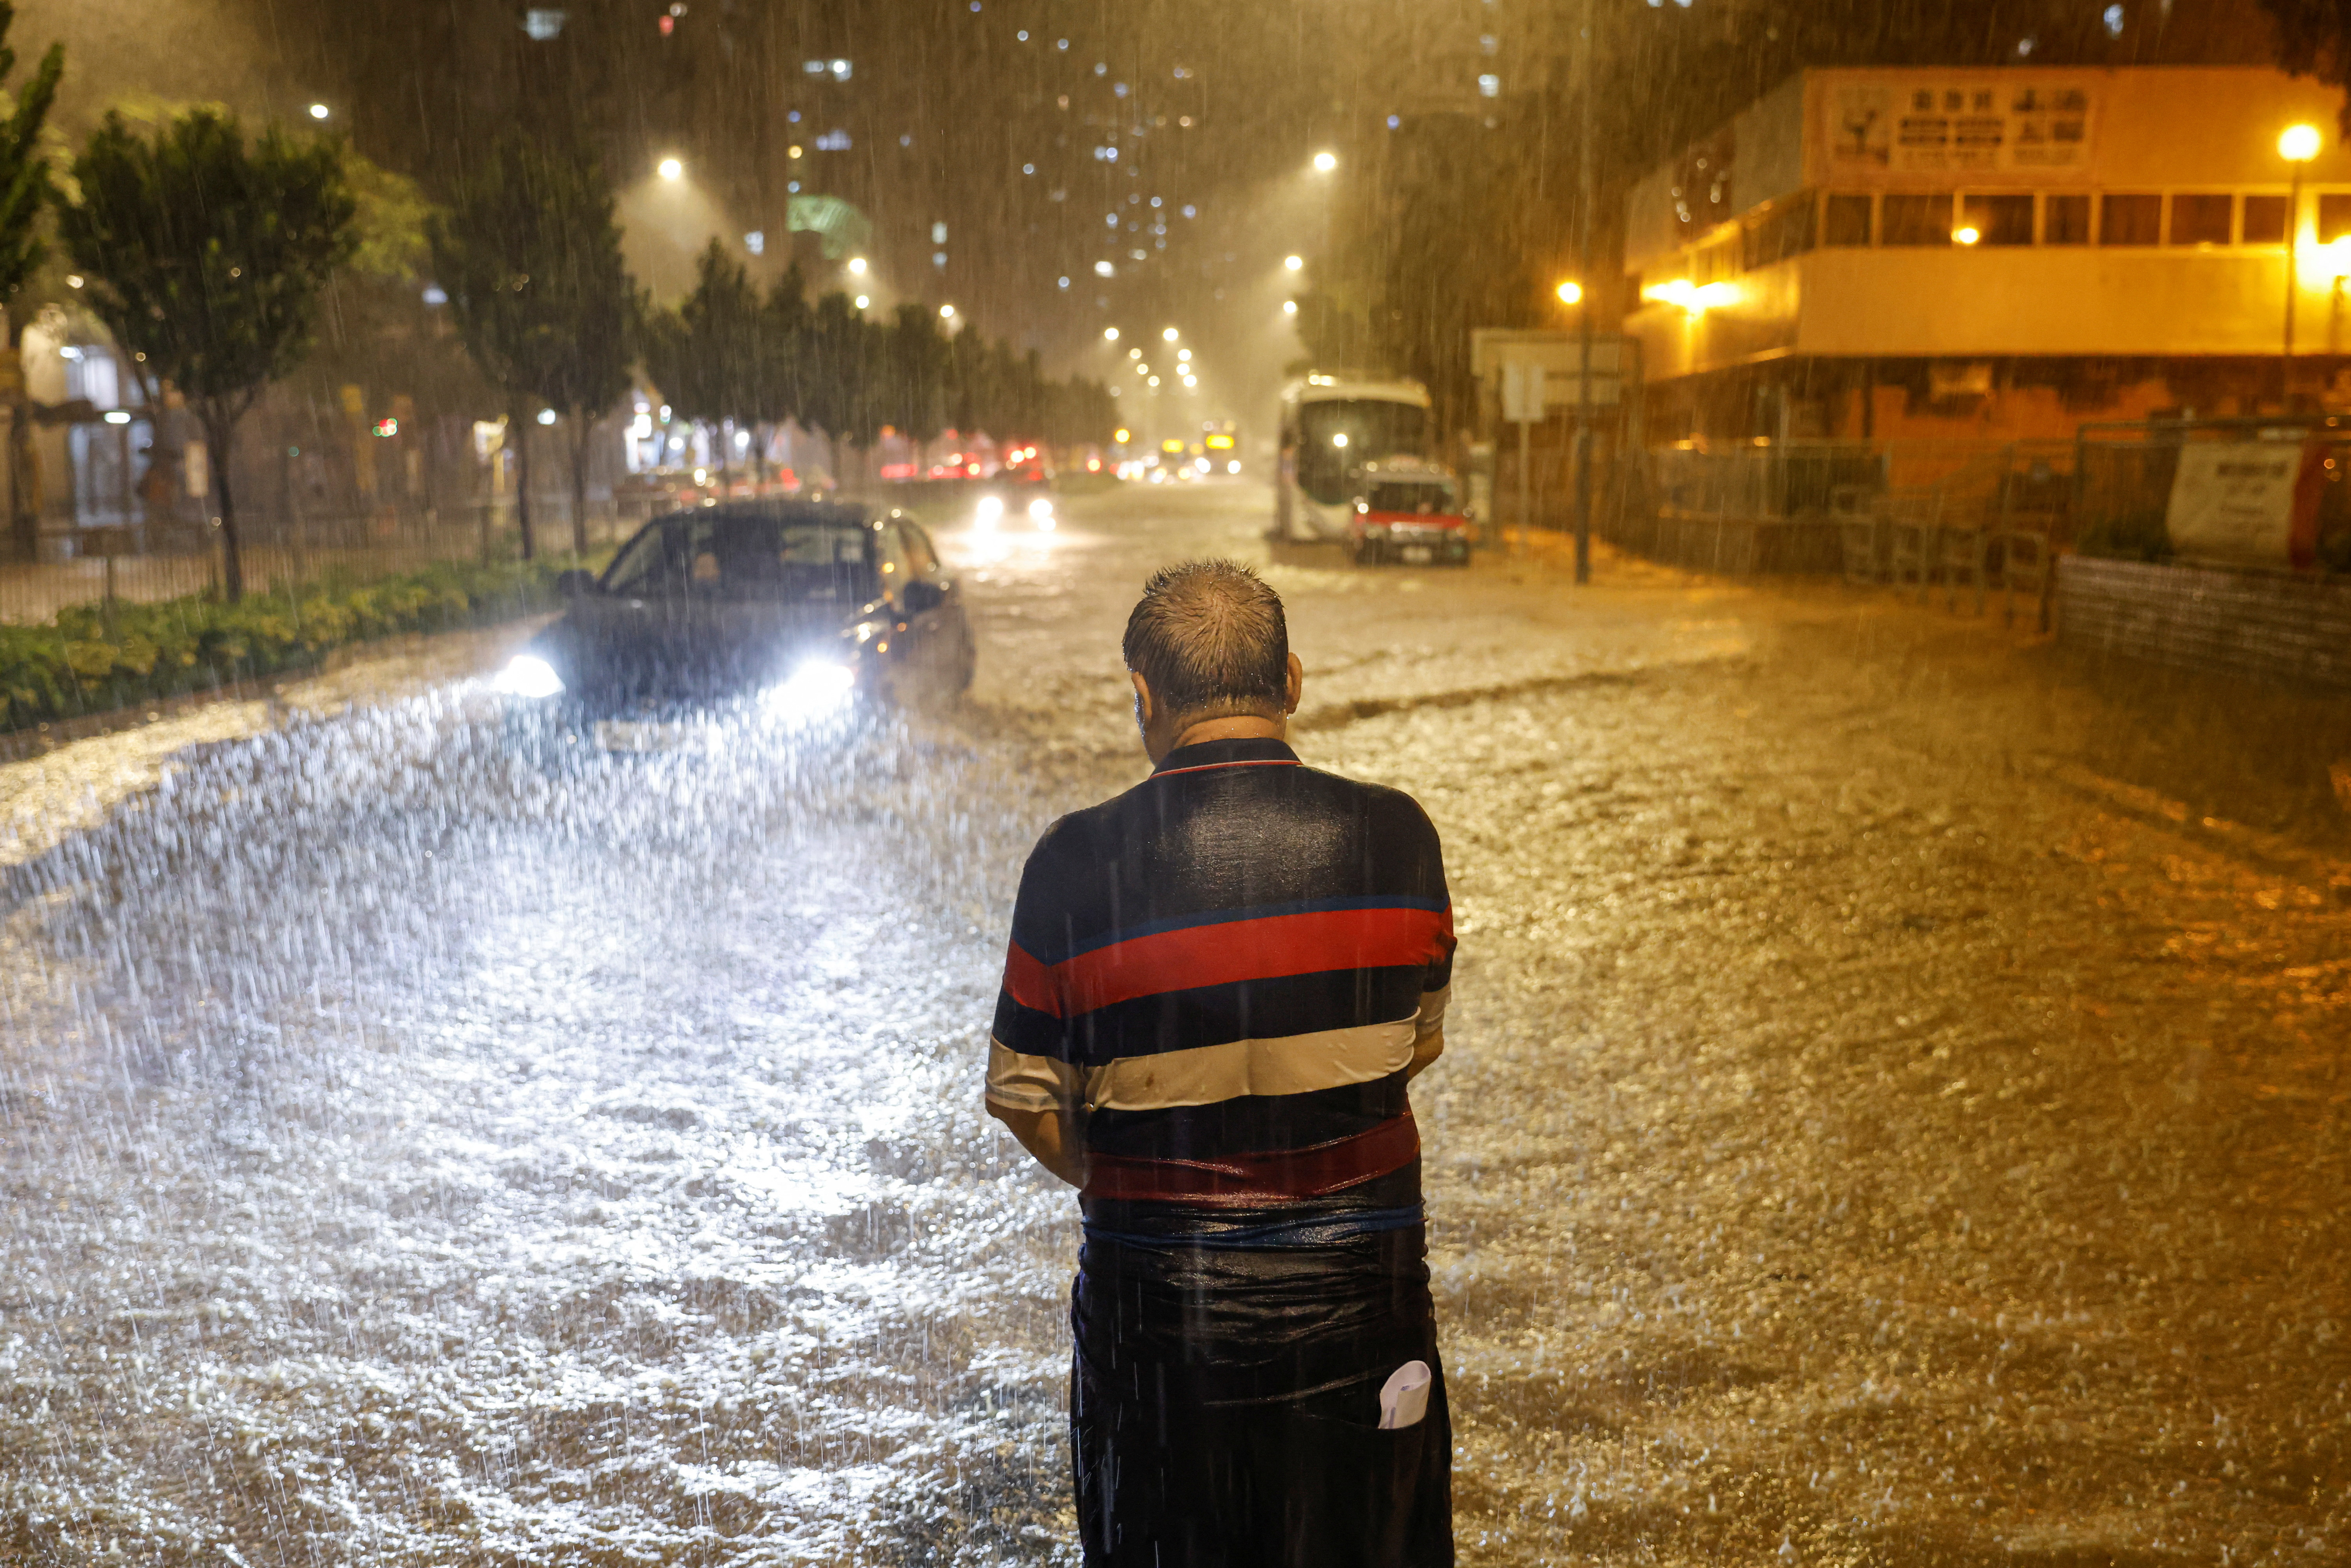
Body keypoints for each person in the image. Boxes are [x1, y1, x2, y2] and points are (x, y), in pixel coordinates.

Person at [984, 559, 1456, 1568]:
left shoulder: (1072, 864)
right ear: (1292, 681)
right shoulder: (1398, 837)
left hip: (1160, 1335)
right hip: (1362, 1319)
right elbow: (1414, 1045)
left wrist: (1142, 1177)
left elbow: (1025, 1096)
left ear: (1144, 699)